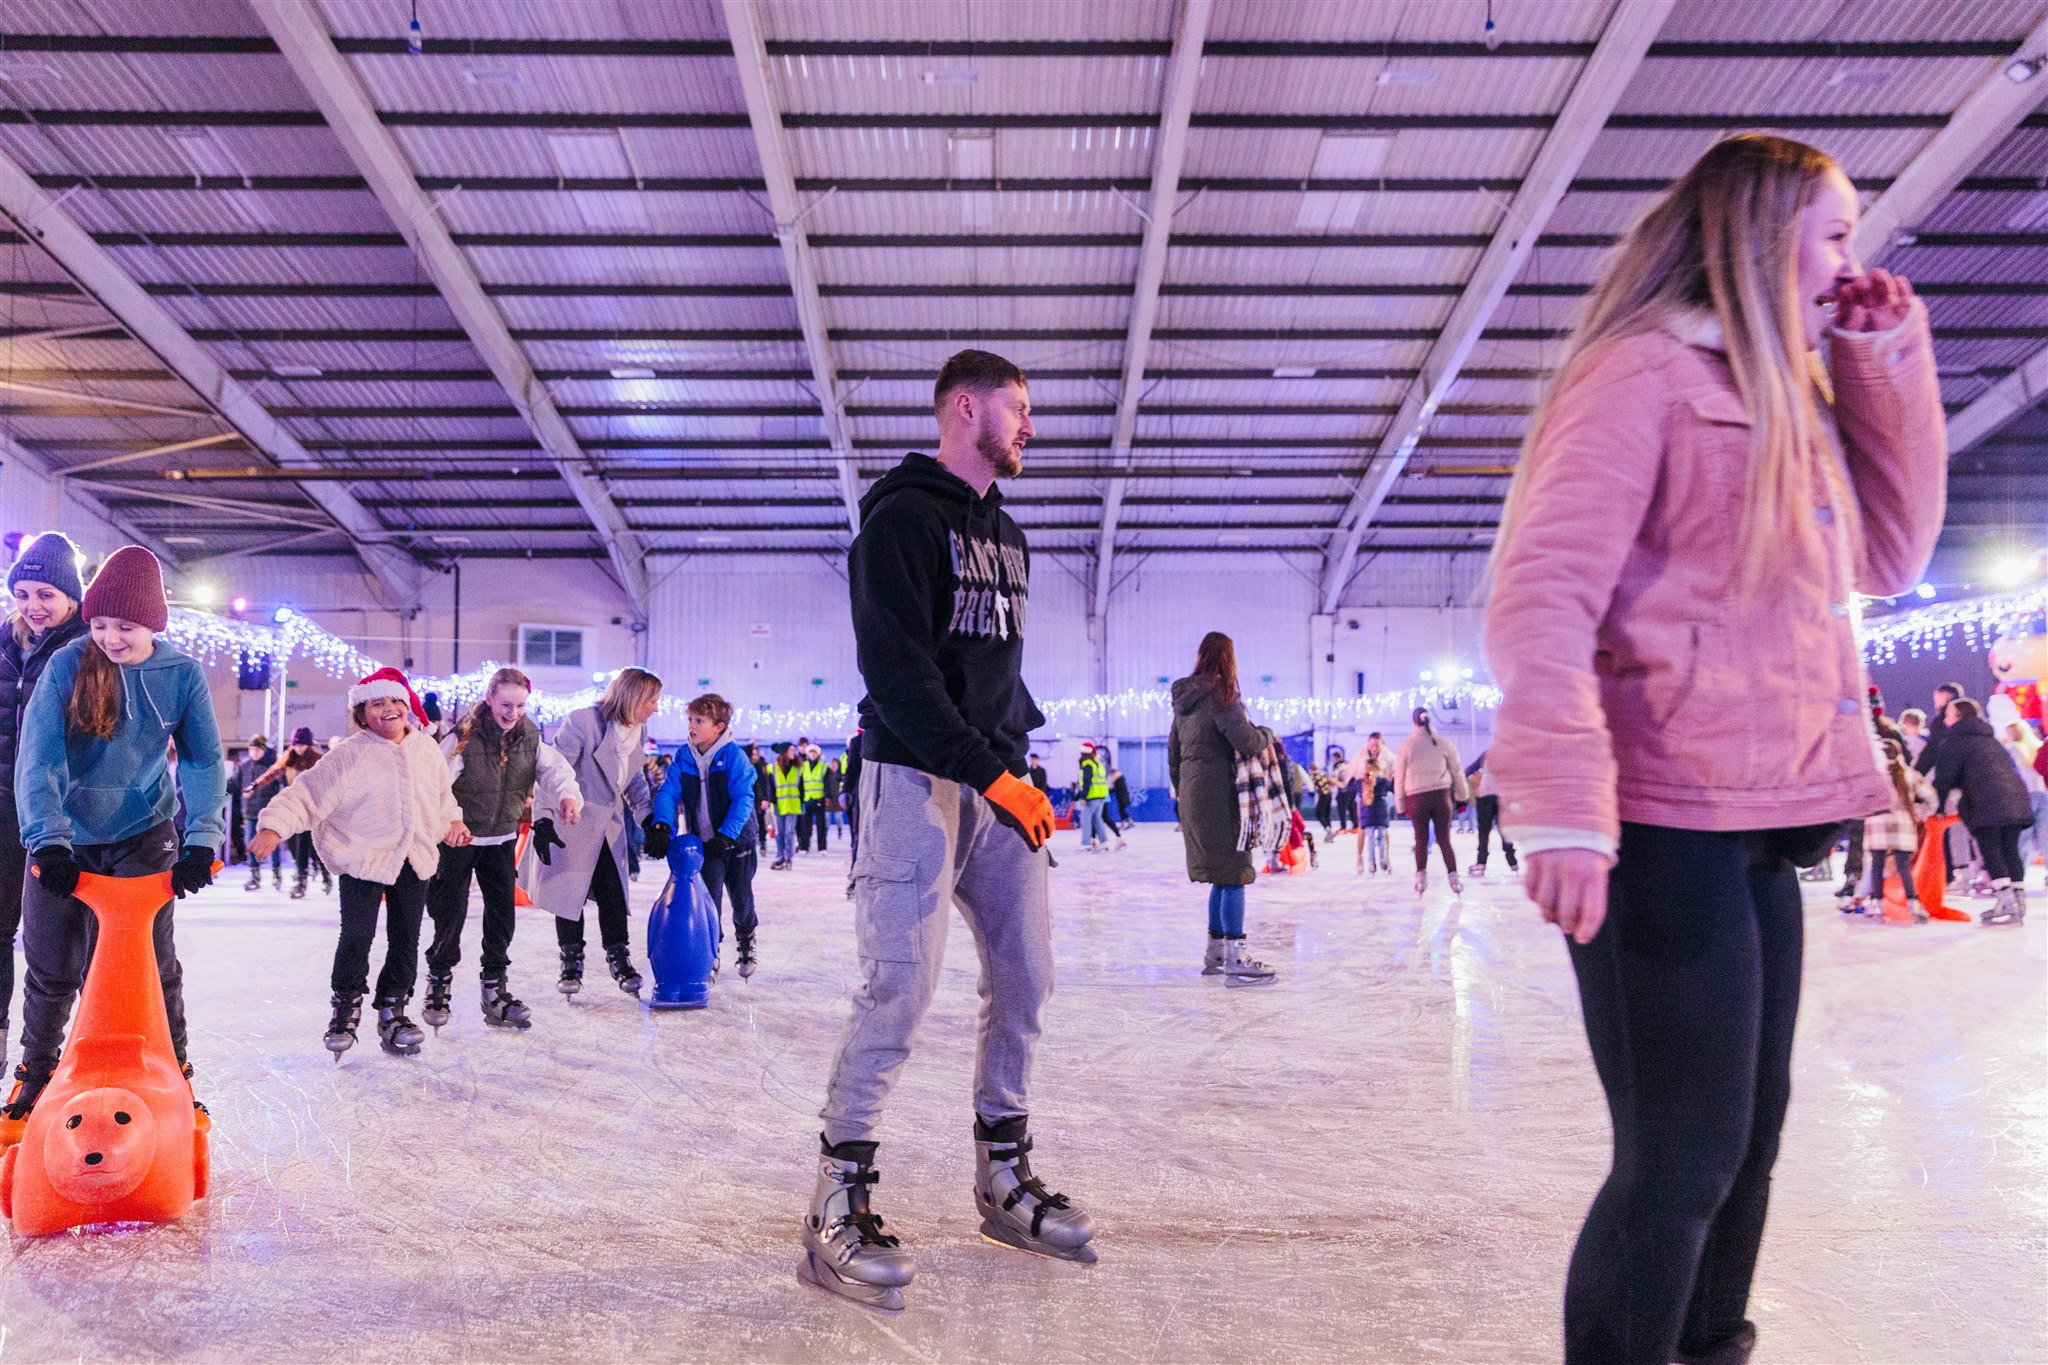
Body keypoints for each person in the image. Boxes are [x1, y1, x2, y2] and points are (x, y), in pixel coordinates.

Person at [1482, 135, 1946, 1365]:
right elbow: (1540, 595)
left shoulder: (1784, 388)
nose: (1852, 260)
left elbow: (1889, 558)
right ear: (1761, 234)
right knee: (1677, 1159)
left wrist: (1877, 360)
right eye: (1835, 235)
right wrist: (1564, 808)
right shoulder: (1638, 373)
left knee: (1746, 1139)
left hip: (1756, 815)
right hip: (1655, 819)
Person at [804, 347, 1085, 1313]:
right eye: (1020, 407)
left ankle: (1001, 1176)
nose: (1031, 426)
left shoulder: (1007, 535)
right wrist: (990, 773)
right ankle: (836, 1196)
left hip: (998, 785)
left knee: (1027, 974)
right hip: (913, 781)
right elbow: (902, 678)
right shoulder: (900, 521)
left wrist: (1020, 762)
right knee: (899, 987)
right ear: (966, 408)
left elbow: (991, 671)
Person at [8, 546, 223, 1134]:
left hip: (142, 836)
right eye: (100, 624)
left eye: (125, 627)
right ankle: (38, 1072)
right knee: (52, 961)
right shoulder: (69, 662)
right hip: (66, 837)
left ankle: (173, 1070)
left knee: (155, 963)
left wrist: (201, 837)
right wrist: (48, 839)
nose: (110, 638)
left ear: (153, 622)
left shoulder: (180, 674)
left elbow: (204, 761)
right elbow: (40, 758)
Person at [252, 668, 467, 1057]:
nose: (390, 709)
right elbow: (308, 795)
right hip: (362, 856)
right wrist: (273, 828)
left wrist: (453, 822)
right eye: (378, 703)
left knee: (406, 938)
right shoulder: (350, 754)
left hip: (414, 856)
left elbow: (442, 797)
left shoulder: (426, 751)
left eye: (396, 701)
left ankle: (393, 1009)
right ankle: (345, 1008)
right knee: (357, 936)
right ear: (362, 714)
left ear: (407, 707)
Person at [422, 667, 583, 1033]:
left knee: (501, 917)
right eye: (506, 704)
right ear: (490, 699)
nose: (512, 713)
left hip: (500, 839)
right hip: (459, 839)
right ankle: (438, 981)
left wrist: (568, 796)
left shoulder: (529, 736)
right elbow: (436, 784)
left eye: (520, 705)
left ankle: (495, 988)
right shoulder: (464, 736)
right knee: (450, 913)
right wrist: (451, 821)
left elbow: (555, 771)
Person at [0, 532, 87, 1077]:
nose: (34, 606)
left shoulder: (86, 649)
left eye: (46, 594)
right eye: (24, 593)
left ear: (72, 599)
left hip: (61, 812)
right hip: (1, 808)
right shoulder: (4, 645)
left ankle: (64, 1055)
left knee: (54, 943)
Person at [522, 667, 661, 997]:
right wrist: (541, 820)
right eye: (652, 700)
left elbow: (634, 782)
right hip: (570, 825)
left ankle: (620, 959)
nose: (656, 707)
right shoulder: (583, 722)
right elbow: (553, 773)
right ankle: (571, 962)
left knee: (613, 894)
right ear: (634, 698)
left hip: (608, 831)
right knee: (568, 895)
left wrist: (650, 820)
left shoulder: (637, 732)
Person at [1170, 631, 1277, 986]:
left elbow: (1173, 756)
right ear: (1229, 659)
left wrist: (1186, 794)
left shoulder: (1184, 702)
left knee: (1220, 874)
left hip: (1193, 793)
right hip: (1220, 795)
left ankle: (1215, 954)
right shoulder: (1222, 696)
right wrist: (1267, 732)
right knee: (1234, 871)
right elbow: (1246, 740)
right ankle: (1235, 959)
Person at [647, 693, 761, 976]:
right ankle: (710, 953)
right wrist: (662, 824)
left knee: (741, 897)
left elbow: (743, 798)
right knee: (708, 900)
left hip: (736, 841)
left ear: (719, 727)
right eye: (690, 719)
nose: (692, 726)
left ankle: (746, 938)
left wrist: (727, 835)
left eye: (699, 720)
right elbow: (669, 791)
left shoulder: (733, 755)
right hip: (705, 844)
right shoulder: (685, 756)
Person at [1932, 698, 2034, 925]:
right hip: (2015, 798)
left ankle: (2007, 904)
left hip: (1986, 802)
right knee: (2010, 850)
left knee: (1992, 850)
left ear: (1958, 716)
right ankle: (2018, 902)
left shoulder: (1955, 740)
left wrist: (1936, 808)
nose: (1945, 718)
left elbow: (1944, 779)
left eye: (1948, 714)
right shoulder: (1991, 740)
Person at [1846, 738, 1935, 922]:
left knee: (1877, 865)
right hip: (1902, 826)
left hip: (1877, 826)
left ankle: (1877, 904)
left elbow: (1858, 801)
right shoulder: (1910, 774)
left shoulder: (1873, 775)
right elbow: (1931, 798)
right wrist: (1919, 812)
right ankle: (1914, 903)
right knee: (1903, 867)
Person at [1395, 708, 1469, 894]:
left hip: (1416, 798)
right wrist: (1462, 797)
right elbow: (1457, 772)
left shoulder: (1406, 746)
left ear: (1414, 722)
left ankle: (1421, 879)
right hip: (1441, 797)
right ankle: (1454, 879)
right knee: (1444, 840)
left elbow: (1400, 778)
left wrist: (1401, 804)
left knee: (1421, 839)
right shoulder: (1444, 743)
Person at [253, 727, 330, 899]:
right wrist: (256, 785)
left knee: (315, 847)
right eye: (296, 745)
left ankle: (326, 876)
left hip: (316, 808)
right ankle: (301, 881)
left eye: (303, 745)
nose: (299, 748)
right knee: (297, 846)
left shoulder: (318, 759)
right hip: (296, 808)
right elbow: (273, 772)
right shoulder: (289, 757)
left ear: (309, 745)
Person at [235, 734, 283, 890]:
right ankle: (254, 875)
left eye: (257, 749)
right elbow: (234, 783)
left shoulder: (273, 766)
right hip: (250, 812)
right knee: (251, 843)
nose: (254, 753)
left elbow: (284, 785)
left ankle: (276, 873)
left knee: (272, 844)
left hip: (269, 813)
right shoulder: (245, 766)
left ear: (264, 750)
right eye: (251, 749)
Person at [2000, 720, 2046, 871]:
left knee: (2022, 838)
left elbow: (2012, 773)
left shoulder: (2013, 749)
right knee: (2045, 837)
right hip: (2043, 793)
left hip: (2024, 795)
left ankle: (2019, 874)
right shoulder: (2039, 745)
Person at [1465, 749, 1519, 878]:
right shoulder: (1512, 755)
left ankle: (1481, 862)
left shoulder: (1487, 754)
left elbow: (1468, 770)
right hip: (1503, 798)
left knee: (1484, 832)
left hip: (1486, 796)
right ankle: (1513, 862)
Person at [1356, 733, 1394, 875]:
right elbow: (1356, 775)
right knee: (1363, 828)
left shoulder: (1388, 757)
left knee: (1383, 831)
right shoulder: (1361, 757)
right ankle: (1360, 858)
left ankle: (1386, 858)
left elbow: (1393, 773)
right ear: (1368, 744)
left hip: (1381, 796)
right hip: (1365, 795)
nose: (1374, 748)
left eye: (1377, 745)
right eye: (1372, 745)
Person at [1074, 741, 1112, 852]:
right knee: (1097, 819)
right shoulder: (1098, 763)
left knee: (1085, 819)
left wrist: (1084, 797)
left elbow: (1087, 782)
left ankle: (1086, 844)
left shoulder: (1088, 765)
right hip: (1101, 795)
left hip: (1092, 796)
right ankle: (1104, 842)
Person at [770, 744, 802, 870]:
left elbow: (801, 785)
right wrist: (772, 801)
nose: (793, 752)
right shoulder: (773, 767)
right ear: (784, 752)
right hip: (779, 805)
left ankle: (788, 857)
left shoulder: (798, 767)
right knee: (779, 833)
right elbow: (771, 786)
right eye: (790, 750)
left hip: (793, 805)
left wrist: (803, 802)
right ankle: (780, 857)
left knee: (789, 832)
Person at [799, 742, 829, 853]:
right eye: (810, 752)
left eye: (814, 752)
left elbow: (827, 783)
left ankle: (822, 848)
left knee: (821, 825)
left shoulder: (823, 766)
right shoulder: (803, 766)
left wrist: (826, 797)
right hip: (807, 799)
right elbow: (801, 784)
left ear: (818, 754)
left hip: (819, 799)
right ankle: (804, 847)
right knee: (805, 826)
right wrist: (801, 798)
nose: (812, 754)